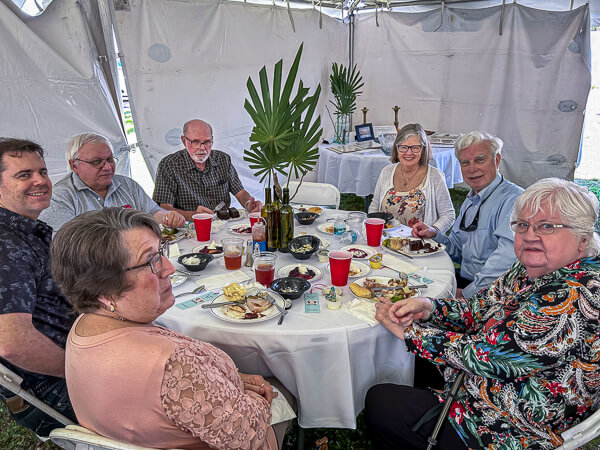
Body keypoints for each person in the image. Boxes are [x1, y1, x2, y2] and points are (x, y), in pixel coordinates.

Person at [366, 178, 600, 450]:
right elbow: (479, 308)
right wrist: (429, 308)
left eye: (547, 226)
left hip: (514, 422)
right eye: (522, 225)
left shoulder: (578, 293)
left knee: (381, 403)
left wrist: (411, 334)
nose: (530, 235)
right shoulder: (531, 268)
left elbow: (489, 356)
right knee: (417, 363)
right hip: (491, 381)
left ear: (583, 238)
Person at [51, 207, 292, 449]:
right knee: (287, 383)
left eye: (161, 252)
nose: (169, 267)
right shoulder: (173, 365)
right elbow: (246, 436)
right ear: (104, 291)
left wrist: (229, 381)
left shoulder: (84, 325)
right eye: (151, 261)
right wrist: (255, 396)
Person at [0, 138, 78, 436]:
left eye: (43, 172)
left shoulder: (22, 229)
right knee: (178, 395)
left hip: (72, 358)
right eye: (24, 175)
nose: (41, 181)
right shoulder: (6, 245)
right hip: (52, 387)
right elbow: (12, 343)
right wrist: (81, 370)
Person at [412, 131, 523, 298]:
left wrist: (465, 294)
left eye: (480, 160)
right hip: (467, 281)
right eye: (465, 163)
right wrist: (434, 235)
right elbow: (458, 251)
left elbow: (505, 262)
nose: (472, 169)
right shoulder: (472, 199)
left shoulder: (514, 201)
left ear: (497, 160)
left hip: (494, 294)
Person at [39, 133, 184, 231]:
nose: (108, 167)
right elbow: (66, 246)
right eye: (97, 162)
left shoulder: (127, 185)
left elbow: (152, 212)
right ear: (74, 165)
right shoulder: (59, 198)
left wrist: (166, 217)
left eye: (109, 159)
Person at [153, 119, 262, 220]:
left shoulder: (223, 159)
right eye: (195, 142)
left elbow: (240, 192)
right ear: (183, 141)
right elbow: (164, 208)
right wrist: (193, 215)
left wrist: (248, 204)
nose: (202, 147)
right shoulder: (169, 165)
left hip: (224, 223)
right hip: (189, 227)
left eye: (207, 142)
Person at [369, 123, 455, 233]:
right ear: (397, 148)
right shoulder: (387, 172)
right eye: (403, 147)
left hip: (419, 244)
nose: (408, 153)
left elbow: (448, 215)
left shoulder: (434, 176)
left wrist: (432, 231)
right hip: (385, 241)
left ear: (423, 149)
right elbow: (374, 207)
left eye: (415, 148)